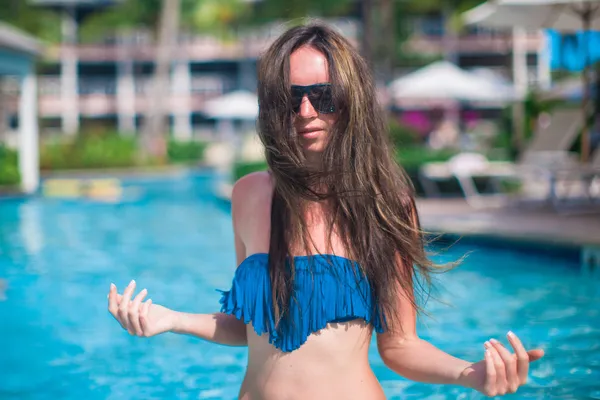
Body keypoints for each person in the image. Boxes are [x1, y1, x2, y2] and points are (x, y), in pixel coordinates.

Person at [107, 22, 545, 399]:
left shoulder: (385, 204)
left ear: (350, 99)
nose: (305, 111)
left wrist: (469, 374)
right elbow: (252, 327)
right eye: (290, 97)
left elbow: (400, 346)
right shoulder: (249, 195)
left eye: (324, 95)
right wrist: (171, 320)